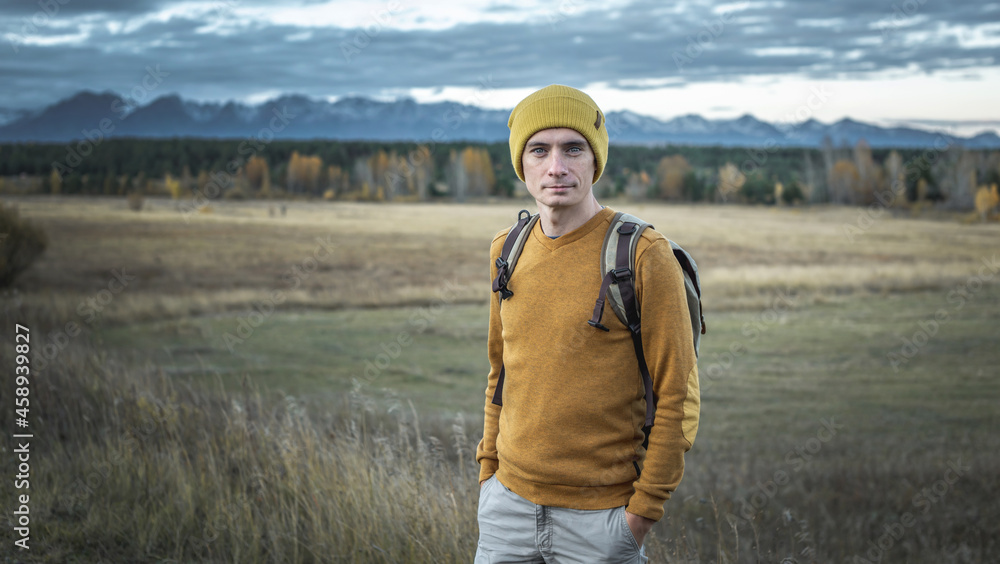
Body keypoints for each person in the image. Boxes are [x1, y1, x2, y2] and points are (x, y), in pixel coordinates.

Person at [475, 84, 700, 563]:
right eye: (540, 150)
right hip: (505, 512)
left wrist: (641, 514)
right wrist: (488, 471)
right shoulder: (506, 250)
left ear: (595, 160)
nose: (556, 166)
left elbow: (677, 393)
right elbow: (501, 371)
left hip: (601, 522)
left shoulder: (643, 255)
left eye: (573, 148)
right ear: (522, 163)